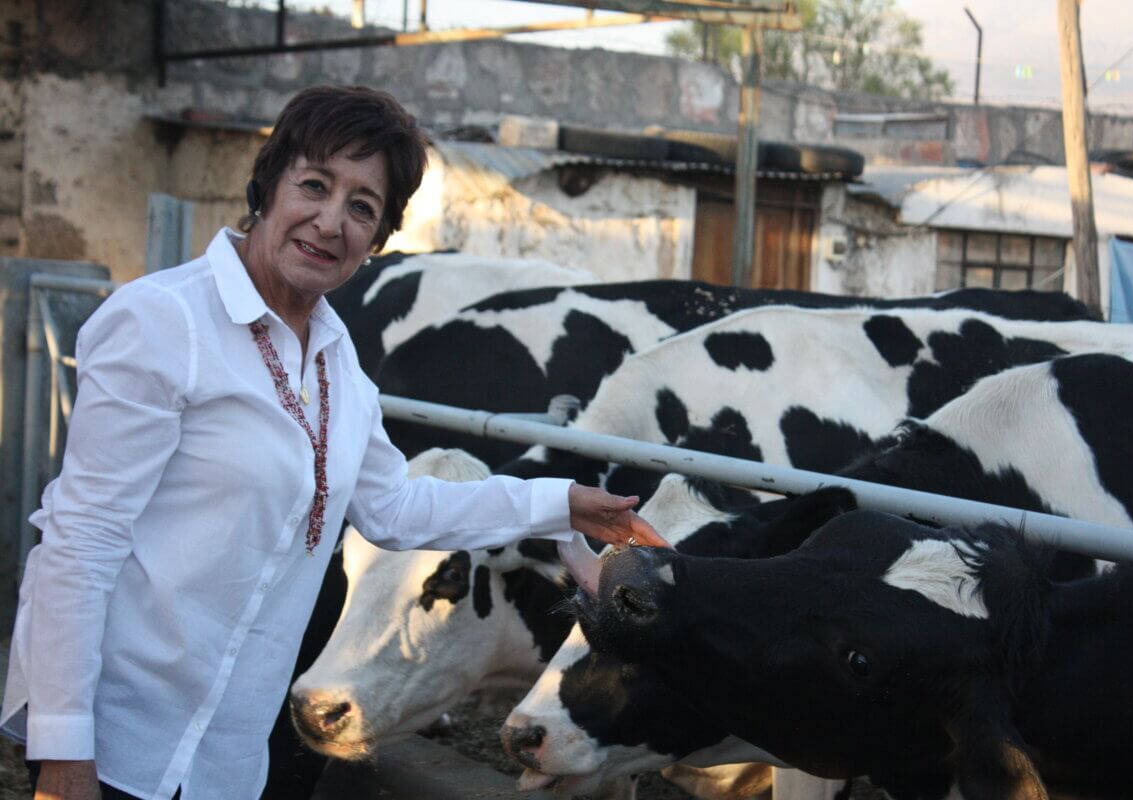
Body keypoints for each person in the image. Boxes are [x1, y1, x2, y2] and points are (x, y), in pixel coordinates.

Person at [1, 85, 668, 800]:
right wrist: (64, 749)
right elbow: (81, 542)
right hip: (119, 743)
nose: (330, 222)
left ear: (378, 239)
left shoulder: (336, 358)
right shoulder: (163, 322)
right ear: (266, 186)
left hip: (226, 758)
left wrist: (560, 503)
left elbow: (395, 509)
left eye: (362, 207)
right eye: (314, 185)